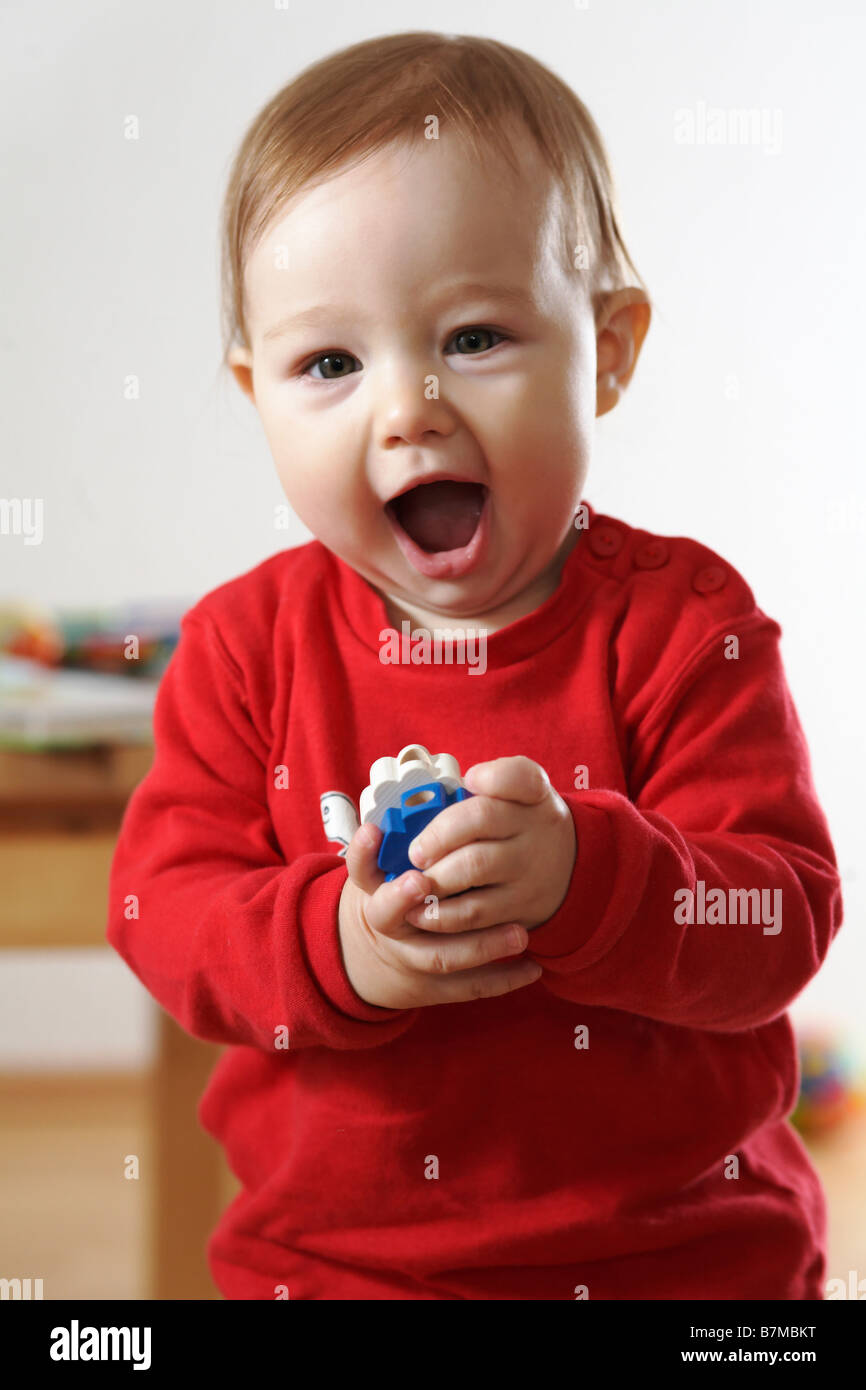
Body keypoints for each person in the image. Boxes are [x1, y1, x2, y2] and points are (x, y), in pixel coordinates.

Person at [107, 31, 843, 1300]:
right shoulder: (243, 648)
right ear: (255, 393)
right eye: (329, 364)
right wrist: (334, 941)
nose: (408, 409)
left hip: (682, 1265)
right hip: (338, 1270)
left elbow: (776, 917)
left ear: (607, 348)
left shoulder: (684, 625)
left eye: (474, 337)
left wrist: (585, 876)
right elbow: (161, 914)